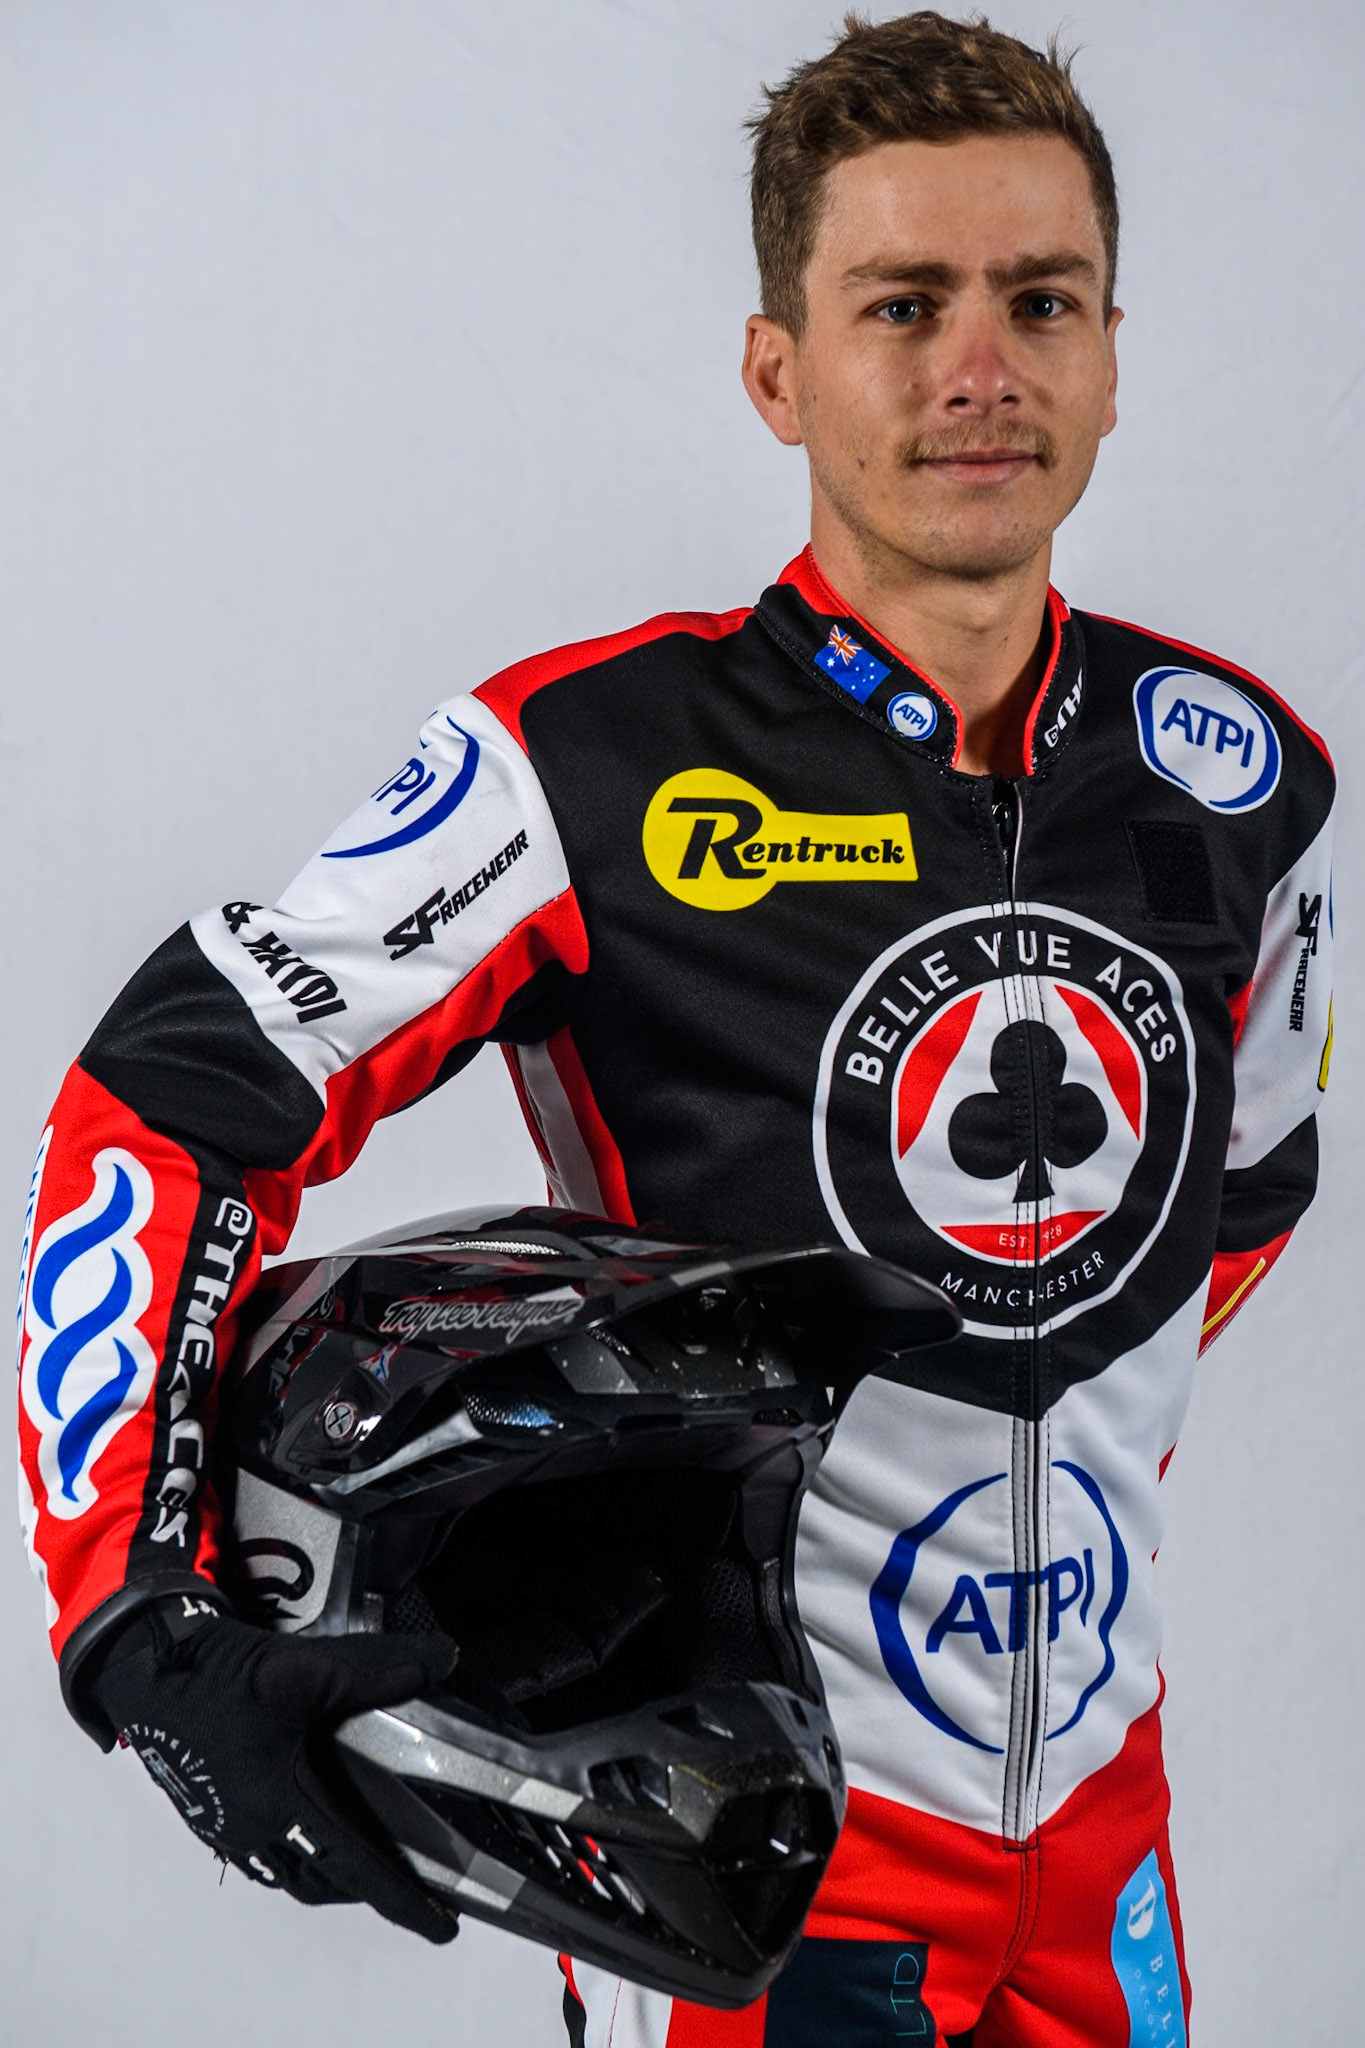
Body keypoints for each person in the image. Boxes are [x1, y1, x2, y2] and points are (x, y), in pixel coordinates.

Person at [15, 11, 1334, 2044]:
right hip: (749, 1848)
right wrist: (131, 1610)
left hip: (1100, 1834)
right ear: (775, 368)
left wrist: (1014, 1409)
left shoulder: (1251, 778)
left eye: (1037, 299)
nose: (978, 366)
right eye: (901, 304)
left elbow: (1232, 1206)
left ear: (1105, 346)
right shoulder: (584, 759)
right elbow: (169, 1092)